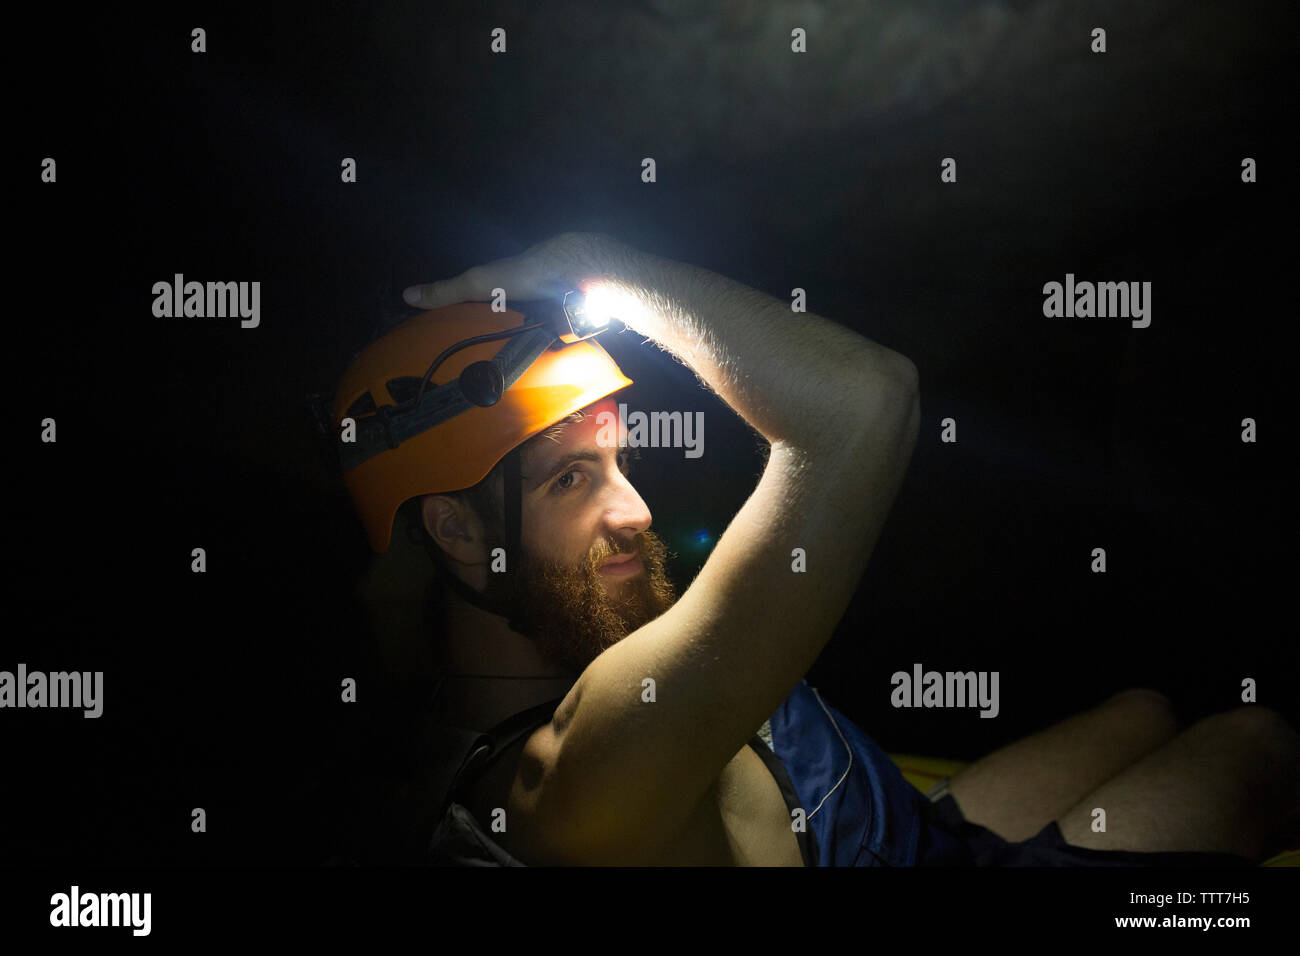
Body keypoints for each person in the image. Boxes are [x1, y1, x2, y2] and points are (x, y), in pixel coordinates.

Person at [332, 232, 1298, 866]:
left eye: (616, 461)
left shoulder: (513, 689)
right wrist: (592, 258)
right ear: (457, 531)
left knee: (1143, 706)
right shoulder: (571, 765)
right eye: (569, 479)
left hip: (904, 832)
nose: (633, 510)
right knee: (1256, 740)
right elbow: (867, 401)